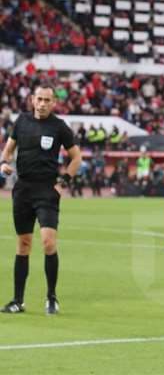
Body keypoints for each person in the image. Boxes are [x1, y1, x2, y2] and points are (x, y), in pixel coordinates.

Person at [0, 84, 82, 314]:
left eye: (48, 100)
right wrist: (4, 163)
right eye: (40, 99)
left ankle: (51, 297)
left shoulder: (59, 127)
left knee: (48, 242)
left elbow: (76, 158)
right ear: (32, 100)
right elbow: (8, 150)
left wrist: (64, 181)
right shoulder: (22, 122)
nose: (43, 103)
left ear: (54, 102)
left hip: (47, 190)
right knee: (23, 244)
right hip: (23, 190)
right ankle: (17, 300)